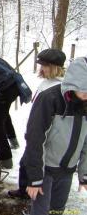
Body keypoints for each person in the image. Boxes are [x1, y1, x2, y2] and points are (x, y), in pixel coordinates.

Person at [22, 57, 87, 215]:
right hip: (46, 170)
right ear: (74, 82)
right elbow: (34, 138)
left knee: (57, 210)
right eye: (84, 89)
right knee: (41, 211)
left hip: (67, 170)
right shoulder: (50, 98)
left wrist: (84, 173)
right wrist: (35, 178)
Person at [8, 48, 66, 199]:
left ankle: (31, 193)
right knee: (24, 163)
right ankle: (24, 190)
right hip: (35, 133)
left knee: (31, 165)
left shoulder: (60, 88)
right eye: (41, 65)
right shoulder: (45, 83)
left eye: (45, 66)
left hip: (45, 138)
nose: (42, 69)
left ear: (55, 67)